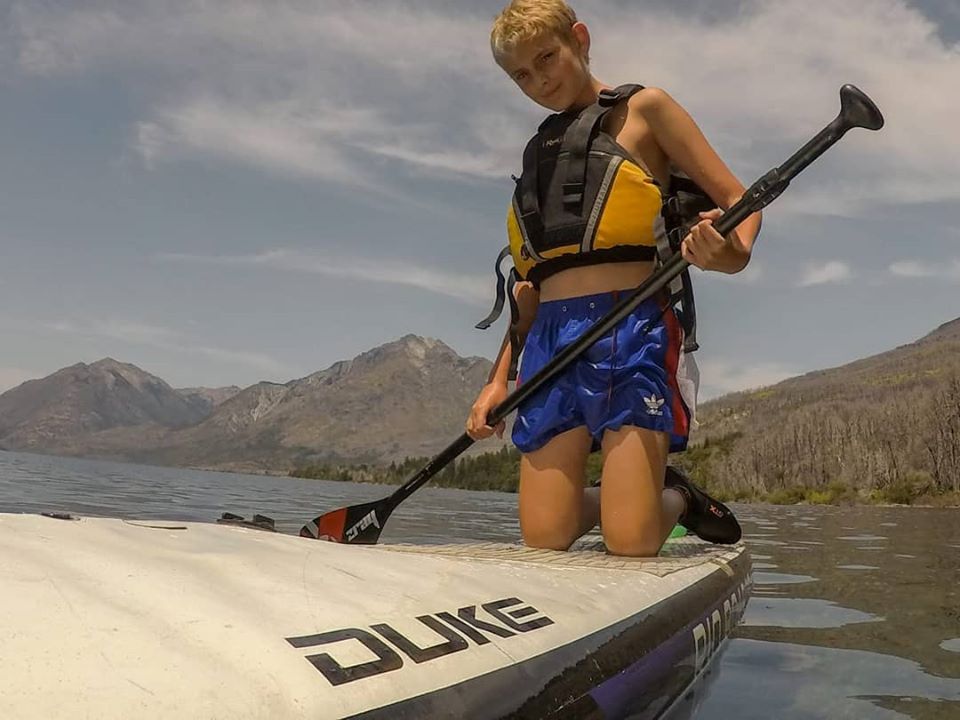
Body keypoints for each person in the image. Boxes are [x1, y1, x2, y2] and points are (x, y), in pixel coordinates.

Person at [466, 0, 760, 557]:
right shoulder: (540, 153)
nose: (538, 79)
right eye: (521, 74)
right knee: (545, 537)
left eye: (547, 57)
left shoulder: (646, 108)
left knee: (631, 542)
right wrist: (498, 380)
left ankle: (673, 500)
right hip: (549, 339)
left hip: (633, 327)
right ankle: (641, 494)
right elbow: (527, 293)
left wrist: (727, 253)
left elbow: (740, 203)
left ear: (580, 38)